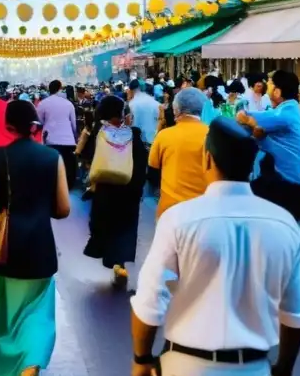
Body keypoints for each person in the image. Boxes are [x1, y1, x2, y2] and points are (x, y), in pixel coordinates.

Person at [130, 116, 300, 376]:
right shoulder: (283, 222)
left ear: (207, 158)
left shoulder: (179, 219)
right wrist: (283, 372)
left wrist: (142, 359)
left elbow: (150, 303)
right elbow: (296, 314)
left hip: (186, 372)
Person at [0, 100, 71, 376]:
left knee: (2, 317)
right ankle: (30, 375)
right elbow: (63, 209)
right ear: (34, 125)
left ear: (7, 126)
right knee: (38, 315)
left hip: (3, 251)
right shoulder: (52, 157)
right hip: (39, 247)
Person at [79, 95, 147, 287]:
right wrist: (138, 187)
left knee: (105, 223)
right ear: (121, 113)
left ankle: (110, 257)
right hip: (129, 190)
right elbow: (141, 163)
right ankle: (121, 262)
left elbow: (88, 158)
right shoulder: (133, 134)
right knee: (126, 226)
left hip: (105, 190)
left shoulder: (99, 133)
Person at [237, 70, 300, 221]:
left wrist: (248, 120)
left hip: (284, 183)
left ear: (277, 91)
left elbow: (244, 116)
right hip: (283, 180)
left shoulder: (284, 115)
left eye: (269, 84)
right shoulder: (289, 110)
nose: (265, 87)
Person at [148, 88, 213, 219]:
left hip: (170, 212)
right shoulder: (213, 134)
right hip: (204, 212)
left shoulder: (164, 136)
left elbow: (153, 170)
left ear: (176, 110)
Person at [36, 79, 78, 190]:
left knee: (52, 169)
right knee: (68, 168)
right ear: (60, 89)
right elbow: (74, 125)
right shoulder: (68, 104)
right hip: (68, 141)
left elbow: (39, 122)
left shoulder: (43, 104)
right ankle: (67, 189)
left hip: (50, 141)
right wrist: (75, 139)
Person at [128, 78, 160, 148]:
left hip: (137, 143)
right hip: (153, 141)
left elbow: (129, 123)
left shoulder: (131, 104)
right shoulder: (156, 103)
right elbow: (160, 121)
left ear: (130, 90)